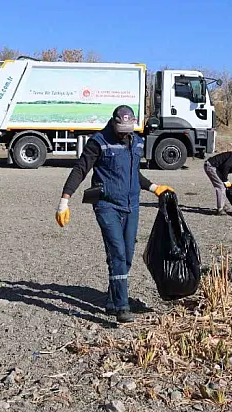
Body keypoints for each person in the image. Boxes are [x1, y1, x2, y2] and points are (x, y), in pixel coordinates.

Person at [56, 105, 173, 324]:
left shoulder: (136, 141)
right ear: (113, 122)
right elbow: (80, 169)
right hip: (105, 204)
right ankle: (122, 306)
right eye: (121, 127)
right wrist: (64, 201)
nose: (124, 132)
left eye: (129, 128)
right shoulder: (99, 142)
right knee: (118, 253)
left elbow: (132, 172)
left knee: (127, 255)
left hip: (132, 205)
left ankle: (111, 301)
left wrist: (154, 187)